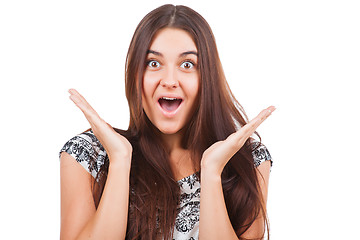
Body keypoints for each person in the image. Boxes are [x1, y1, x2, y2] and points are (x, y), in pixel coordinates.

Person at [59, 4, 275, 240]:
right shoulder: (88, 153)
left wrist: (212, 171)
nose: (170, 81)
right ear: (135, 75)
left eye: (187, 65)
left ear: (207, 77)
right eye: (153, 63)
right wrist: (120, 161)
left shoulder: (247, 160)